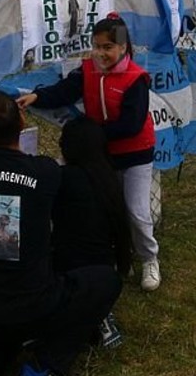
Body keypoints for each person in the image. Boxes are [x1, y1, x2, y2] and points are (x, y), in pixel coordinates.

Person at [0, 90, 121, 376]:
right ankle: (44, 365)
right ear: (21, 124)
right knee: (106, 280)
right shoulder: (46, 172)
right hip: (33, 305)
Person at [17, 14, 162, 291]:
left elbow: (131, 125)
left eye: (107, 47)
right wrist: (38, 96)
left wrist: (92, 136)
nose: (100, 53)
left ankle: (149, 258)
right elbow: (64, 91)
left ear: (122, 48)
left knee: (136, 211)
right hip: (102, 156)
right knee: (106, 209)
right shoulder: (87, 70)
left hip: (135, 155)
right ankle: (122, 256)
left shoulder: (136, 79)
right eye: (96, 46)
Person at [53, 117, 132, 348]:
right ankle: (97, 316)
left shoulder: (63, 178)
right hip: (104, 272)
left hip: (66, 273)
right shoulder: (108, 178)